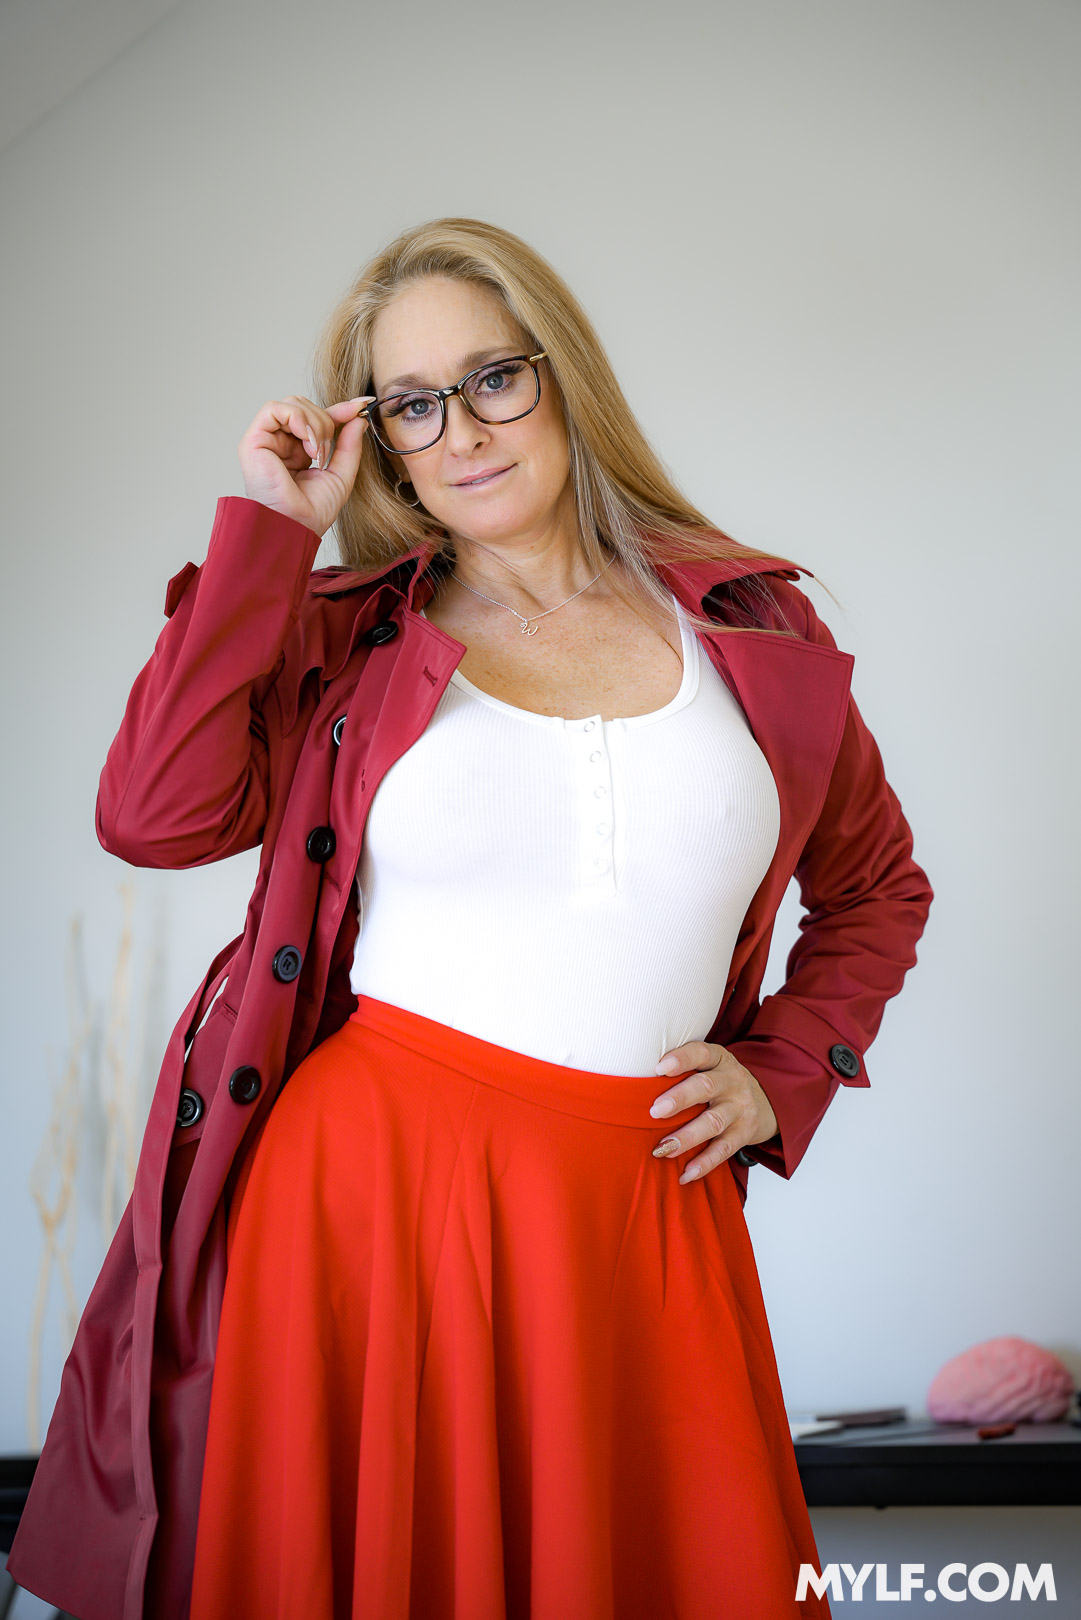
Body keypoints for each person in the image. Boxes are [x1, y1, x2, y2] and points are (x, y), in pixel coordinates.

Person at [7, 217, 932, 1620]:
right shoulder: (347, 638)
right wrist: (272, 536)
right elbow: (153, 815)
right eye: (412, 405)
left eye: (493, 378)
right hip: (371, 1208)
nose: (463, 433)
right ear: (380, 440)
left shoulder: (754, 631)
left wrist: (785, 1068)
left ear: (562, 375)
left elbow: (876, 887)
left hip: (643, 1211)